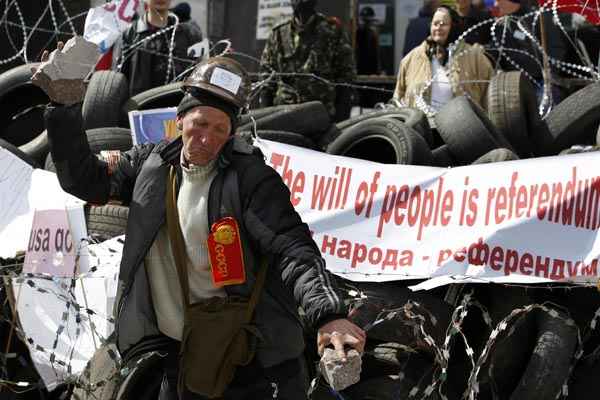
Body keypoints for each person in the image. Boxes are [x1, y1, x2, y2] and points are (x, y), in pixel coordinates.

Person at [34, 50, 365, 399]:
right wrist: (63, 109)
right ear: (180, 121)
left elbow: (293, 249)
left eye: (220, 128)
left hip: (249, 360)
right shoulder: (152, 166)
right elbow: (84, 180)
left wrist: (327, 315)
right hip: (179, 355)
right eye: (200, 124)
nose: (207, 138)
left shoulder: (252, 180)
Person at [259, 0, 356, 122]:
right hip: (283, 116)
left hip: (321, 118)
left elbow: (346, 78)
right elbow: (266, 81)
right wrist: (266, 119)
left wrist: (341, 120)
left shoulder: (332, 32)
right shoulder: (278, 34)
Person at [393, 6, 494, 112]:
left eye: (443, 24)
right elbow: (398, 98)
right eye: (435, 24)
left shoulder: (475, 58)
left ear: (454, 26)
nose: (438, 28)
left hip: (461, 125)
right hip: (421, 126)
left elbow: (489, 96)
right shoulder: (412, 59)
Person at [112, 0, 203, 97]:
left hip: (179, 107)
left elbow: (199, 77)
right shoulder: (129, 35)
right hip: (140, 107)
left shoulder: (189, 35)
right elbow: (117, 83)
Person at [490, 0, 568, 106]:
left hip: (542, 81)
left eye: (499, 0)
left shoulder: (539, 17)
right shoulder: (500, 26)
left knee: (546, 106)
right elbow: (496, 54)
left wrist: (551, 72)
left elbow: (556, 48)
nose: (496, 4)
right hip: (513, 86)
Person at [355, 6, 381, 75]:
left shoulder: (372, 32)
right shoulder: (360, 31)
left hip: (370, 67)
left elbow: (376, 52)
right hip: (362, 66)